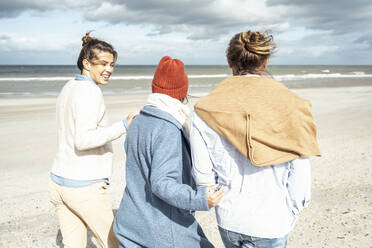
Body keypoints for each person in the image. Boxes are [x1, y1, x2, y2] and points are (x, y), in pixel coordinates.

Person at [190, 30, 321, 248]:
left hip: (230, 219)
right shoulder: (293, 105)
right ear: (265, 61)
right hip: (273, 220)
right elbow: (300, 174)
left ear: (229, 61)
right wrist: (290, 212)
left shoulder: (203, 108)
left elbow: (203, 178)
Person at [113, 56, 223, 248]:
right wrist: (200, 198)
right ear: (182, 91)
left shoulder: (138, 120)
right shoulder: (169, 128)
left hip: (130, 222)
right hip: (160, 229)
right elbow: (162, 183)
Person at [48, 32, 135, 248]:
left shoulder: (68, 87)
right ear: (87, 63)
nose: (109, 70)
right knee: (112, 243)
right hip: (83, 186)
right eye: (103, 64)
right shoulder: (90, 91)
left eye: (112, 64)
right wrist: (124, 126)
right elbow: (83, 139)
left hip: (58, 182)